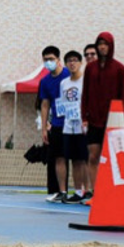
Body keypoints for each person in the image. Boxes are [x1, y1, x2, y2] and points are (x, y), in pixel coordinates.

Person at [81, 31, 124, 191]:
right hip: (93, 119)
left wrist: (120, 119)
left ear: (111, 46)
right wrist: (84, 117)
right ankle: (95, 192)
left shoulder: (120, 69)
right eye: (100, 44)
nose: (102, 47)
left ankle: (109, 191)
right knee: (93, 156)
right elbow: (85, 93)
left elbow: (123, 96)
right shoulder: (90, 68)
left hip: (112, 120)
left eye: (105, 44)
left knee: (110, 158)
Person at [38, 46, 69, 202]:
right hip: (57, 124)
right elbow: (45, 104)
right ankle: (61, 191)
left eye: (51, 59)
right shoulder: (45, 81)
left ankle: (84, 191)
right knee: (59, 157)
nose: (48, 62)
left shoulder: (69, 75)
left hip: (74, 123)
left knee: (79, 158)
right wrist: (44, 127)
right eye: (45, 60)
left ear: (58, 59)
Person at [59, 50, 87, 202]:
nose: (72, 63)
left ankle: (88, 190)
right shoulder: (64, 83)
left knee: (86, 159)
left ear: (80, 63)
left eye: (75, 60)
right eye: (69, 61)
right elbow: (62, 104)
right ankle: (77, 191)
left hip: (84, 125)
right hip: (69, 125)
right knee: (74, 160)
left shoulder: (86, 81)